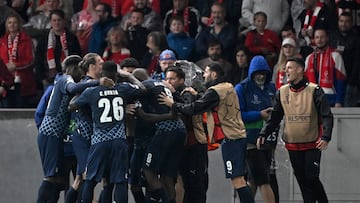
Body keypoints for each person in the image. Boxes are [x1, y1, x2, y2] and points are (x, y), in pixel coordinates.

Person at [159, 63, 255, 203]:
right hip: (235, 136)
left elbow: (194, 108)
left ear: (214, 74)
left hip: (230, 138)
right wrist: (198, 95)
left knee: (238, 180)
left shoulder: (215, 91)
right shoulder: (226, 87)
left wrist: (172, 103)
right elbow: (212, 103)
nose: (204, 75)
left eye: (206, 72)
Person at [36, 55, 114, 203]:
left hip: (57, 135)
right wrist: (97, 82)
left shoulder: (62, 81)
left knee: (59, 180)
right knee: (51, 177)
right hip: (51, 132)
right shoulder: (65, 79)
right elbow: (72, 88)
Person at [257, 57, 333, 203]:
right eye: (285, 68)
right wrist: (263, 133)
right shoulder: (282, 92)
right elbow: (274, 117)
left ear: (300, 70)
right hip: (292, 144)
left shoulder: (315, 90)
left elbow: (326, 115)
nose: (286, 71)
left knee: (311, 178)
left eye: (289, 68)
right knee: (302, 180)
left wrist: (326, 137)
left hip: (312, 143)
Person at [235, 56, 276, 203]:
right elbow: (237, 114)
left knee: (254, 179)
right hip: (250, 140)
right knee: (264, 180)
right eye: (258, 73)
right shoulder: (241, 88)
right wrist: (259, 114)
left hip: (267, 139)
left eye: (264, 73)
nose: (261, 76)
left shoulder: (271, 88)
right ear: (251, 73)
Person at [165, 66, 208, 203]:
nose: (168, 81)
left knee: (196, 184)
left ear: (181, 80)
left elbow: (187, 110)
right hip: (180, 145)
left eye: (172, 78)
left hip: (194, 143)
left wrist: (173, 99)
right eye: (167, 78)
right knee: (184, 181)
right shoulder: (169, 94)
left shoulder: (186, 93)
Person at [63, 53, 103, 203]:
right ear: (92, 66)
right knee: (88, 175)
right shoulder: (88, 84)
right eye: (100, 63)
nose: (102, 65)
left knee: (79, 178)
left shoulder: (92, 83)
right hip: (83, 136)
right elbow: (72, 104)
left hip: (89, 136)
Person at [34, 9, 81, 91]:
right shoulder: (44, 37)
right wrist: (42, 78)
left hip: (69, 78)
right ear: (51, 22)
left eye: (59, 20)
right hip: (49, 78)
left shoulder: (71, 38)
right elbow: (39, 58)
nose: (57, 23)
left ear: (63, 21)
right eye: (54, 20)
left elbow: (77, 57)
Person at [0, 14, 37, 108]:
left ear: (19, 25)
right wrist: (6, 67)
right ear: (6, 25)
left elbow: (31, 60)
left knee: (20, 106)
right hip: (5, 81)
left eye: (15, 22)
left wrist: (15, 66)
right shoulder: (2, 41)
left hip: (22, 80)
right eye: (9, 22)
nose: (12, 25)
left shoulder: (26, 40)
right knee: (7, 109)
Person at [304, 28, 347, 107]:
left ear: (327, 38)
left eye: (322, 37)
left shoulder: (335, 56)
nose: (319, 40)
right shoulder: (309, 58)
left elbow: (341, 80)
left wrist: (339, 101)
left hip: (331, 99)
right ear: (314, 39)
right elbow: (305, 80)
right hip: (313, 99)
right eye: (317, 37)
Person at [329, 12, 360, 107]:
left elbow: (358, 62)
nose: (343, 24)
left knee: (348, 111)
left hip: (350, 81)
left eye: (346, 21)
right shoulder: (332, 37)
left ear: (351, 23)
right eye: (341, 21)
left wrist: (352, 81)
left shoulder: (357, 39)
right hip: (334, 81)